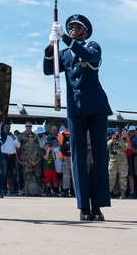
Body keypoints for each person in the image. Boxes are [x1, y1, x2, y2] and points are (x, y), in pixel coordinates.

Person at [44, 13, 112, 220]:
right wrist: (50, 47)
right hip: (75, 109)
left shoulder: (93, 46)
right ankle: (83, 206)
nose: (72, 28)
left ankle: (98, 205)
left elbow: (89, 56)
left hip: (96, 107)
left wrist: (64, 37)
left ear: (86, 31)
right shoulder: (64, 53)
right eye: (70, 26)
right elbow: (48, 70)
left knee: (99, 156)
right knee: (78, 158)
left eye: (76, 27)